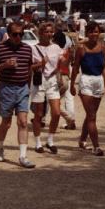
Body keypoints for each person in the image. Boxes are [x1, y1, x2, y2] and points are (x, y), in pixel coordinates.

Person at [0, 21, 36, 168]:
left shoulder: (27, 49)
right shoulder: (0, 48)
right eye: (15, 34)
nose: (18, 37)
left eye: (21, 34)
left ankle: (23, 156)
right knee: (7, 122)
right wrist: (4, 65)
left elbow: (29, 67)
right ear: (9, 34)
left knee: (23, 122)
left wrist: (28, 88)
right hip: (7, 88)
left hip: (23, 88)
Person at [70, 21, 105, 156]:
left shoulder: (102, 48)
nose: (94, 34)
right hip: (86, 81)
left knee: (90, 115)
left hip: (98, 81)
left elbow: (104, 68)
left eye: (96, 31)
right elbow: (75, 68)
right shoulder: (81, 49)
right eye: (91, 31)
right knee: (92, 116)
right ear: (87, 33)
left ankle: (82, 140)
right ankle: (96, 146)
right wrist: (71, 85)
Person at [30, 22, 67, 154]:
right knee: (38, 114)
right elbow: (30, 67)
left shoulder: (56, 47)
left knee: (56, 113)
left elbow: (62, 61)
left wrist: (64, 62)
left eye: (51, 32)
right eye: (47, 32)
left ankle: (50, 140)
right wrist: (41, 63)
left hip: (51, 80)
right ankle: (38, 142)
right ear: (41, 33)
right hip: (39, 80)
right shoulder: (33, 48)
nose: (50, 34)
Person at [53, 24, 76, 129]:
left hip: (59, 77)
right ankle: (70, 119)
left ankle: (69, 118)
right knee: (69, 98)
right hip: (67, 75)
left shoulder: (54, 51)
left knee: (53, 101)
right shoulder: (66, 49)